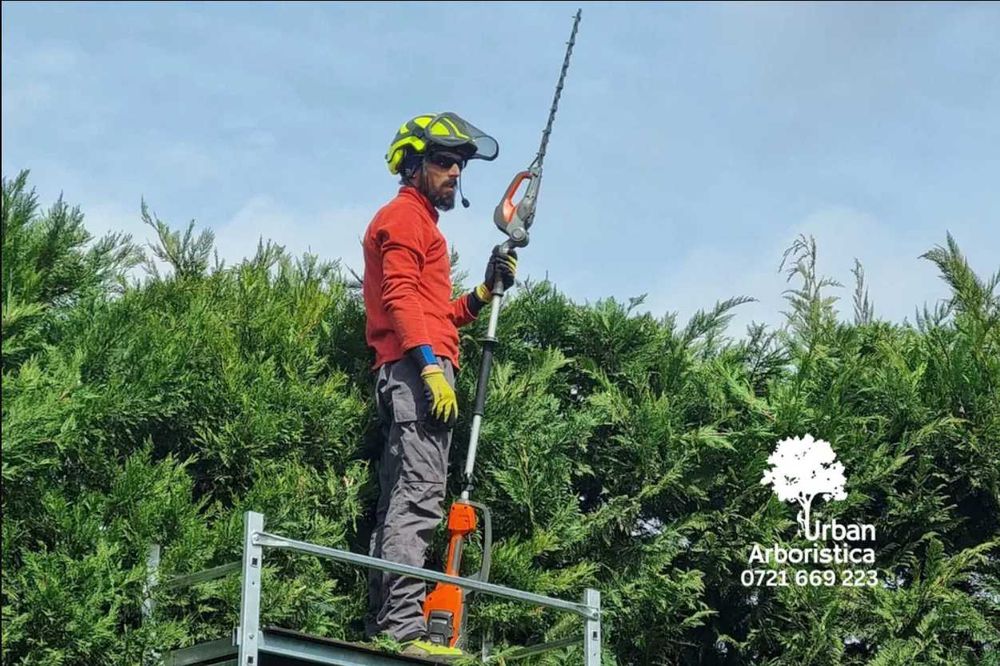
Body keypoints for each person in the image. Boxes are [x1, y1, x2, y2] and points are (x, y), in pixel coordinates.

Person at [362, 112, 517, 658]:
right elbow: (401, 298)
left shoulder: (423, 225)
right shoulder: (404, 218)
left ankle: (385, 625)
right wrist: (430, 368)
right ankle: (405, 631)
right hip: (415, 372)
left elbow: (436, 313)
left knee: (400, 500)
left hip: (414, 366)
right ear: (413, 166)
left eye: (459, 166)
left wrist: (482, 293)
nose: (455, 173)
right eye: (444, 162)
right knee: (419, 499)